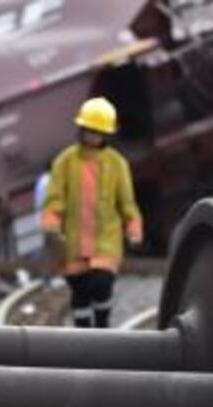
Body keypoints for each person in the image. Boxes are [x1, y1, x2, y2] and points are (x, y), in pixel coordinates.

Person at [41, 97, 143, 329]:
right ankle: (84, 335)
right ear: (81, 129)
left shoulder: (117, 164)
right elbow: (54, 199)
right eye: (89, 130)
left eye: (97, 132)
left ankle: (103, 327)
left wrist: (133, 228)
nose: (92, 136)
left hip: (106, 242)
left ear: (106, 134)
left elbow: (127, 203)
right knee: (80, 290)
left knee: (101, 283)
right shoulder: (65, 162)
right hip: (73, 244)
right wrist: (51, 223)